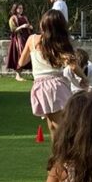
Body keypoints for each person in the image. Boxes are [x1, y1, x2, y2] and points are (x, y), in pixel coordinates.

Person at [19, 9, 75, 137]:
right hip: (57, 85)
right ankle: (63, 153)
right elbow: (72, 64)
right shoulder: (59, 43)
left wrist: (33, 55)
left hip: (40, 86)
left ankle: (58, 153)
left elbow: (21, 62)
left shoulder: (32, 39)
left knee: (52, 124)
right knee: (61, 124)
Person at [7, 3, 33, 81]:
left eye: (22, 8)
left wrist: (30, 26)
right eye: (19, 8)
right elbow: (13, 30)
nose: (21, 10)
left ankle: (33, 73)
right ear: (15, 9)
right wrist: (22, 26)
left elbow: (29, 26)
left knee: (29, 54)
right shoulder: (13, 18)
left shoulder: (24, 17)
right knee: (20, 55)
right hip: (18, 39)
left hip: (26, 38)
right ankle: (18, 75)